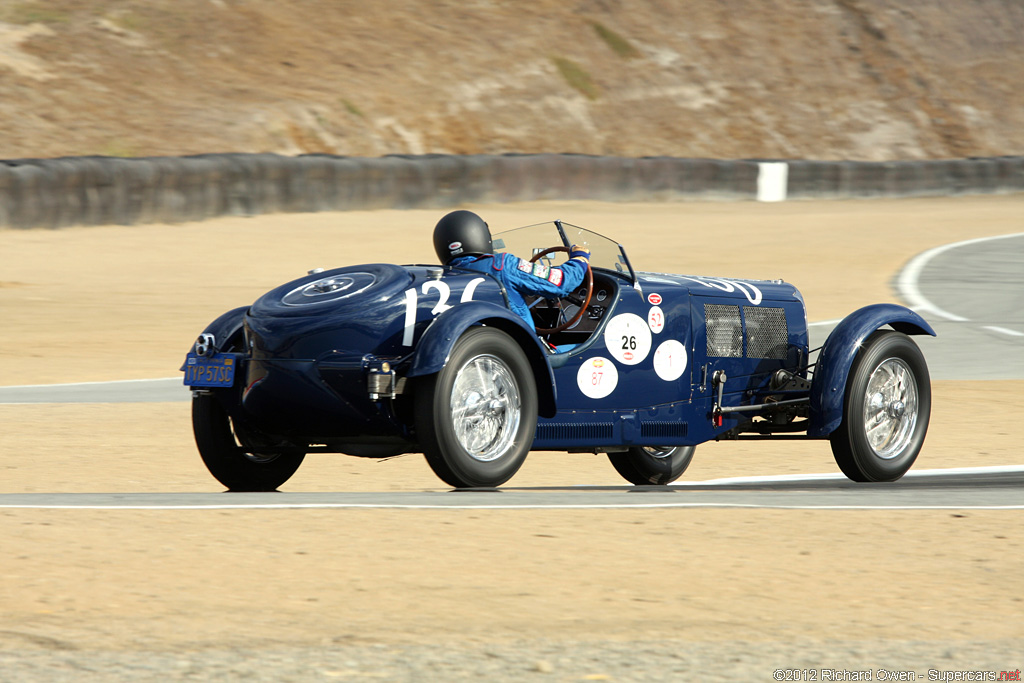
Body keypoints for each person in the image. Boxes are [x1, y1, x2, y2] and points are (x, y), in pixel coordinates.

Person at [432, 210, 590, 333]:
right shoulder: (501, 265)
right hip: (519, 351)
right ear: (479, 235)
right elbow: (561, 282)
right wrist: (579, 259)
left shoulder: (440, 278)